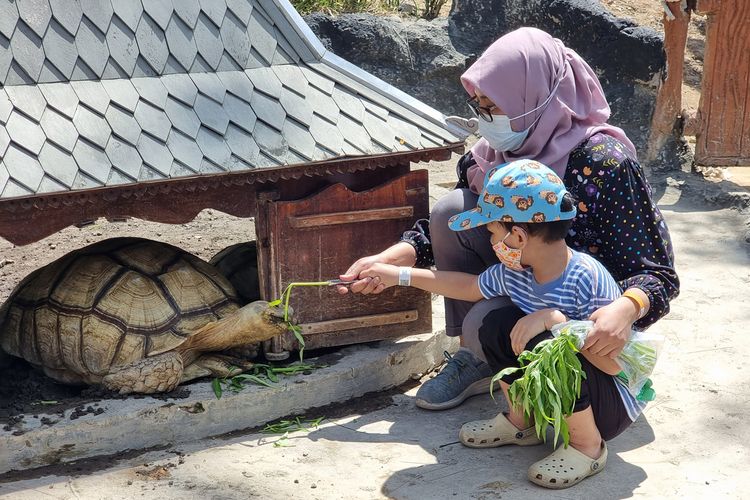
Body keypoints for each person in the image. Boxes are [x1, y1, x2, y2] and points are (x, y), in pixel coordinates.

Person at [338, 27, 679, 411]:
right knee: (454, 209)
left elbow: (657, 274)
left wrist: (625, 309)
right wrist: (400, 257)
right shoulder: (491, 156)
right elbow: (461, 225)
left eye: (494, 104)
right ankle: (475, 357)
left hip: (588, 313)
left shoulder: (604, 162)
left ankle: (567, 406)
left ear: (535, 96)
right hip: (526, 282)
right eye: (477, 104)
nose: (485, 118)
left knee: (490, 321)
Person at [358, 159, 645, 488]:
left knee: (547, 344)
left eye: (492, 231)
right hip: (563, 394)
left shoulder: (587, 278)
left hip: (609, 403)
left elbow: (614, 366)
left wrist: (557, 324)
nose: (492, 242)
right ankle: (521, 422)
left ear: (519, 236)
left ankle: (587, 447)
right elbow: (467, 287)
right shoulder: (515, 274)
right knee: (496, 324)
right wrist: (398, 275)